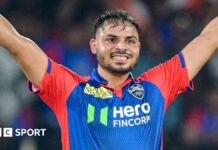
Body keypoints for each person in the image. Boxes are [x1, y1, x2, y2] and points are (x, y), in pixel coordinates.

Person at [0, 10, 217, 150]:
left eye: (130, 40)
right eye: (111, 39)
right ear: (94, 45)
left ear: (138, 49)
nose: (121, 47)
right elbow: (18, 44)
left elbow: (208, 39)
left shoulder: (157, 85)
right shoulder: (70, 89)